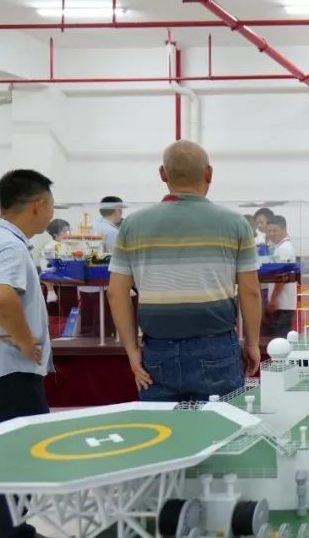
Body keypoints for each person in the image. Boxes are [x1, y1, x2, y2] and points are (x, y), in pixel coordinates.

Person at [107, 141, 262, 402]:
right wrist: (252, 343)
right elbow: (251, 292)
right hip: (217, 348)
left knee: (163, 426)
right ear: (209, 173)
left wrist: (132, 351)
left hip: (156, 352)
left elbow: (115, 293)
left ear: (163, 174)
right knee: (221, 425)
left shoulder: (132, 225)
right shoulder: (235, 224)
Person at [0, 170, 64, 538]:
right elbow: (0, 296)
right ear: (39, 205)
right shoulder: (10, 247)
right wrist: (25, 339)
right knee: (15, 454)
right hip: (10, 369)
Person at [80, 196, 125, 337]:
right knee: (104, 324)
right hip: (104, 282)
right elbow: (116, 258)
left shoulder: (90, 227)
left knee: (90, 325)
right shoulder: (111, 232)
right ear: (117, 210)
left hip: (86, 281)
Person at [263, 215, 297, 338]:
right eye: (269, 231)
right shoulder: (280, 247)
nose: (271, 234)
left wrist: (272, 300)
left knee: (281, 338)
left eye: (275, 230)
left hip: (282, 303)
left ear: (284, 229)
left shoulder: (284, 249)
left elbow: (281, 278)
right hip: (282, 302)